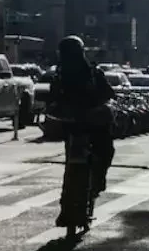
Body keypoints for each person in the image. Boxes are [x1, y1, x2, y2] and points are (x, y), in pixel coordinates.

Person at [49, 36, 116, 227]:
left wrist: (102, 111)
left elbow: (109, 96)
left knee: (104, 153)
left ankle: (94, 186)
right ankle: (69, 206)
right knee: (73, 166)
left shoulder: (93, 74)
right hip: (75, 128)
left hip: (93, 127)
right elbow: (52, 102)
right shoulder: (61, 76)